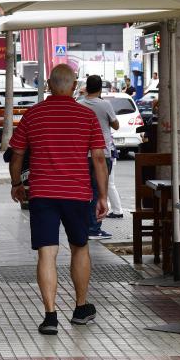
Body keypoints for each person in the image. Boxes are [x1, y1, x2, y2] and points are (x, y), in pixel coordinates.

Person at [8, 64, 109, 335]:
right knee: (80, 247)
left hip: (42, 194)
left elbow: (17, 154)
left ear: (49, 85)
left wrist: (17, 184)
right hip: (76, 194)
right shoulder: (86, 116)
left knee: (47, 253)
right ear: (75, 86)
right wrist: (103, 195)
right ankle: (80, 307)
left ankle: (50, 316)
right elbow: (99, 157)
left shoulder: (33, 115)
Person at [78, 75, 120, 239]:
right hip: (102, 152)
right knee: (98, 190)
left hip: (82, 153)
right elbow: (116, 125)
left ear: (86, 87)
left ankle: (83, 225)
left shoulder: (79, 104)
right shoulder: (105, 105)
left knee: (84, 190)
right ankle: (94, 228)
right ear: (100, 88)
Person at [106, 147, 123, 219]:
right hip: (109, 155)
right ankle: (117, 210)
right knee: (110, 185)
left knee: (109, 185)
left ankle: (117, 210)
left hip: (108, 156)